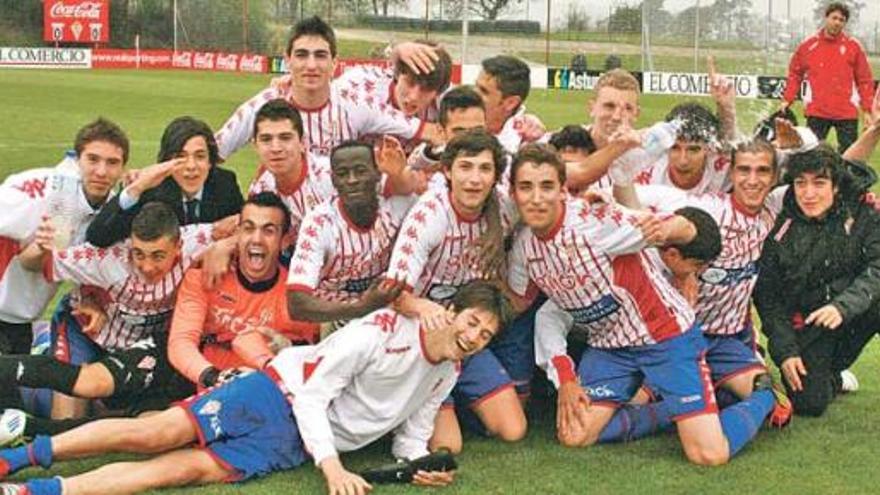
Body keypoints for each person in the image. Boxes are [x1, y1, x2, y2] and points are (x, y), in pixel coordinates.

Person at [0, 282, 513, 495]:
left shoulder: (448, 368)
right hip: (275, 394)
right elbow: (312, 395)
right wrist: (333, 469)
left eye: (485, 336)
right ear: (449, 311)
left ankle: (31, 491)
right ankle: (21, 458)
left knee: (181, 471)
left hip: (293, 443)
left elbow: (412, 428)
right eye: (470, 323)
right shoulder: (375, 334)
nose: (473, 338)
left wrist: (415, 465)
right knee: (155, 433)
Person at [509, 143, 788, 465]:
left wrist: (666, 228)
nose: (536, 197)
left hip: (665, 337)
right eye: (526, 187)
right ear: (513, 194)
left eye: (546, 186)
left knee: (709, 454)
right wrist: (566, 379)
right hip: (609, 348)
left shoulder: (593, 221)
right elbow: (545, 312)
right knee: (574, 435)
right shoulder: (524, 249)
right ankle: (677, 410)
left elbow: (686, 227)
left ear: (562, 190)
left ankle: (765, 395)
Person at [0, 202, 223, 444]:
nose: (147, 266)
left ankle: (54, 367)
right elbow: (37, 263)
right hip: (86, 333)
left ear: (179, 246)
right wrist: (41, 247)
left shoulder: (199, 241)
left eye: (158, 256)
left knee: (141, 424)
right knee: (67, 421)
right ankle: (42, 356)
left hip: (140, 345)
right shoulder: (106, 259)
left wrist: (225, 246)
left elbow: (249, 227)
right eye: (139, 254)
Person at [387, 130, 526, 448]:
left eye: (484, 169)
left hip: (470, 335)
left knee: (512, 429)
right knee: (448, 446)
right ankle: (413, 406)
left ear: (495, 176)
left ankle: (451, 398)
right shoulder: (428, 216)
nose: (474, 179)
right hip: (425, 337)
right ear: (447, 171)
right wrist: (425, 308)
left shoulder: (504, 209)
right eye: (465, 167)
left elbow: (544, 204)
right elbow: (394, 293)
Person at [755, 144, 880, 417]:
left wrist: (843, 306)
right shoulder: (779, 224)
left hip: (852, 309)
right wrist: (785, 351)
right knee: (808, 403)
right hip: (810, 323)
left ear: (836, 186)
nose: (809, 194)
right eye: (801, 183)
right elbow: (768, 297)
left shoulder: (862, 211)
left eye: (819, 183)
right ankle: (831, 376)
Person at [215, 16, 441, 160]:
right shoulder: (265, 104)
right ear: (288, 60)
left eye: (320, 55)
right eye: (302, 55)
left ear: (334, 63)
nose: (311, 65)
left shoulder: (356, 103)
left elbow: (430, 132)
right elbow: (214, 152)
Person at [0, 119, 128, 356]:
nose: (101, 171)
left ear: (123, 169)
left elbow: (68, 262)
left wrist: (86, 298)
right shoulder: (39, 189)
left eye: (112, 163)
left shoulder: (111, 214)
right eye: (93, 159)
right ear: (77, 159)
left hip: (19, 321)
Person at [168, 192, 319, 389]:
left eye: (269, 231)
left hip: (271, 393)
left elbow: (314, 355)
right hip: (211, 391)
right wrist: (216, 377)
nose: (257, 239)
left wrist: (288, 348)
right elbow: (181, 343)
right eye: (248, 228)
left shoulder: (298, 294)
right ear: (237, 234)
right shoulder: (203, 278)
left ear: (284, 240)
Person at [286, 141, 413, 325]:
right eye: (342, 174)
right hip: (334, 315)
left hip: (389, 310)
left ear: (377, 173)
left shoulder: (398, 204)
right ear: (333, 180)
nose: (352, 180)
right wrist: (361, 308)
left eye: (360, 171)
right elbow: (297, 304)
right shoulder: (319, 223)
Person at [86, 116, 243, 248]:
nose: (191, 166)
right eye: (180, 157)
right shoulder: (152, 189)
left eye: (200, 156)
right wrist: (136, 188)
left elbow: (246, 227)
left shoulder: (225, 184)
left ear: (210, 161)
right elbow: (98, 237)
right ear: (166, 161)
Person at [781, 2, 875, 152]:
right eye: (834, 18)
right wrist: (788, 98)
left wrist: (867, 110)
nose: (837, 22)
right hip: (817, 112)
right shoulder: (808, 45)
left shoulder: (853, 46)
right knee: (813, 156)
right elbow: (795, 73)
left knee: (849, 158)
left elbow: (864, 80)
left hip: (846, 113)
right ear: (826, 18)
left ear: (845, 23)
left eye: (842, 20)